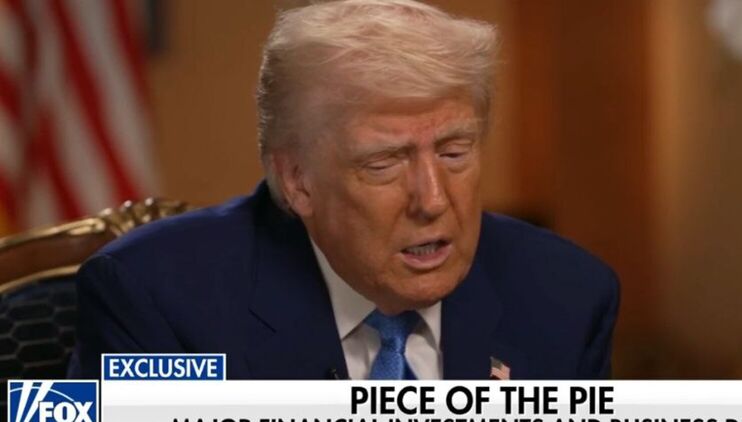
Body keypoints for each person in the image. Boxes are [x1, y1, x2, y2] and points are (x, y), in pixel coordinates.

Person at [68, 0, 619, 380]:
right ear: (297, 180)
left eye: (454, 152)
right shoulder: (160, 301)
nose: (433, 200)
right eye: (384, 163)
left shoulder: (566, 295)